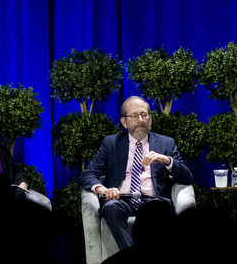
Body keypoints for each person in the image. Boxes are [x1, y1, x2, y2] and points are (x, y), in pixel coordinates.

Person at [79, 95, 192, 251]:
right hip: (122, 199)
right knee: (111, 207)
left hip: (153, 200)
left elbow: (187, 177)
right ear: (124, 122)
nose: (140, 119)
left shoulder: (166, 143)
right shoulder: (111, 143)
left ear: (150, 119)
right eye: (134, 116)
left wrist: (166, 160)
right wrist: (103, 190)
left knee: (158, 211)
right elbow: (88, 174)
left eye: (144, 115)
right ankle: (134, 258)